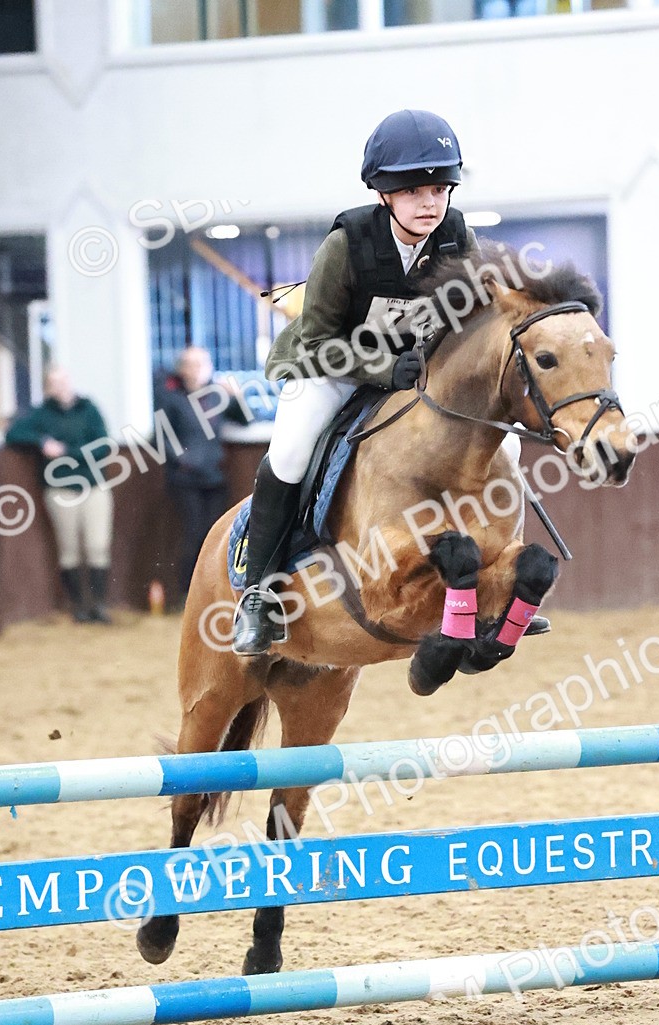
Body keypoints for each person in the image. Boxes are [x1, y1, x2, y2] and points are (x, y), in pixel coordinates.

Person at [234, 108, 525, 655]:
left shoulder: (456, 236)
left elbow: (472, 321)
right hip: (329, 367)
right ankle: (258, 596)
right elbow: (317, 339)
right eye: (414, 191)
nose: (430, 202)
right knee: (292, 454)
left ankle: (501, 581)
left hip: (413, 374)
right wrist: (382, 369)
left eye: (440, 188)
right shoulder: (345, 247)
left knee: (502, 437)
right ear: (385, 193)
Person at [5, 366, 114, 623]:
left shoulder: (89, 409)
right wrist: (42, 442)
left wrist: (66, 451)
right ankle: (78, 606)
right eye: (54, 383)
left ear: (71, 382)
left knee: (97, 546)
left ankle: (98, 604)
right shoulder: (40, 415)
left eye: (63, 381)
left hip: (93, 485)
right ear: (48, 388)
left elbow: (101, 446)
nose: (60, 387)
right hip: (60, 489)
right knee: (70, 549)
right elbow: (13, 434)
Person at [153, 346, 246, 604]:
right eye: (190, 365)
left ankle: (213, 594)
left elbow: (244, 420)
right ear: (182, 369)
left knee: (216, 535)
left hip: (214, 477)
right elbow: (160, 436)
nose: (195, 370)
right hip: (184, 480)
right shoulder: (170, 396)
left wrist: (236, 396)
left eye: (201, 364)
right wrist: (183, 459)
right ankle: (189, 594)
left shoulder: (217, 396)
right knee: (194, 534)